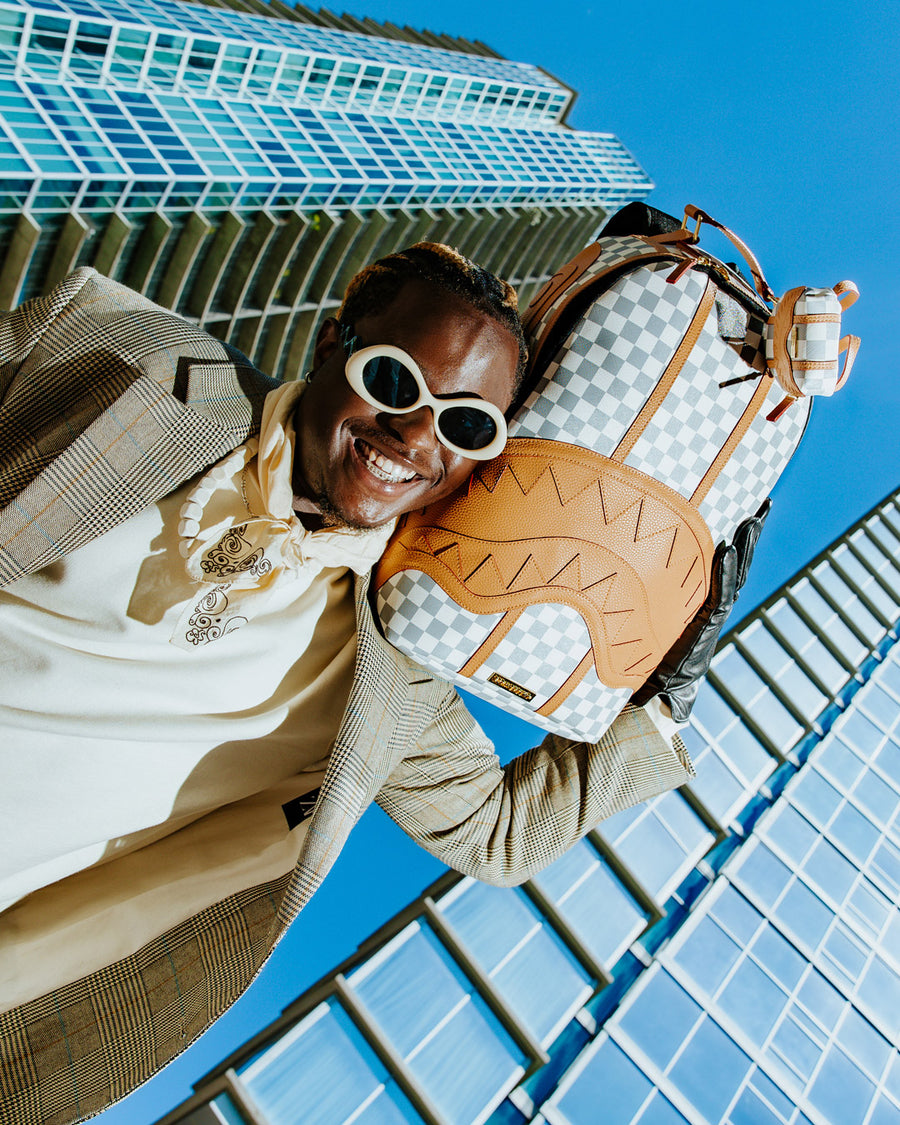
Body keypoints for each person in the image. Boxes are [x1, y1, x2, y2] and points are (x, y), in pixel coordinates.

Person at [0, 243, 721, 1124]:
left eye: (465, 427)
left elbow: (502, 835)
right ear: (333, 341)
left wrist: (673, 687)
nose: (415, 435)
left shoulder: (386, 668)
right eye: (394, 378)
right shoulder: (117, 353)